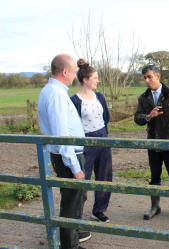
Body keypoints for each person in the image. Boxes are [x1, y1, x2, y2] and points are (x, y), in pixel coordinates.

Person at [37, 54, 91, 249]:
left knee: (77, 198)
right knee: (71, 201)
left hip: (68, 155)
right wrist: (75, 168)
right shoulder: (55, 94)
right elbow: (62, 137)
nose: (75, 76)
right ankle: (69, 246)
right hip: (68, 156)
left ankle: (73, 234)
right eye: (74, 72)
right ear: (65, 71)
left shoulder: (53, 91)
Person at [134, 65, 169, 220]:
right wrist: (148, 117)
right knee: (154, 177)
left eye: (149, 76)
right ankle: (155, 206)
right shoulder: (143, 97)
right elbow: (137, 118)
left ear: (158, 76)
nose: (146, 80)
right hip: (152, 144)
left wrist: (168, 130)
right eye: (144, 77)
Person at [70, 59, 112, 223]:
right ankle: (76, 214)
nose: (98, 80)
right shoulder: (74, 100)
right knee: (82, 179)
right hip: (85, 143)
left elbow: (105, 117)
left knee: (105, 177)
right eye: (95, 78)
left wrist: (104, 136)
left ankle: (99, 211)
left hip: (103, 139)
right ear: (85, 80)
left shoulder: (100, 96)